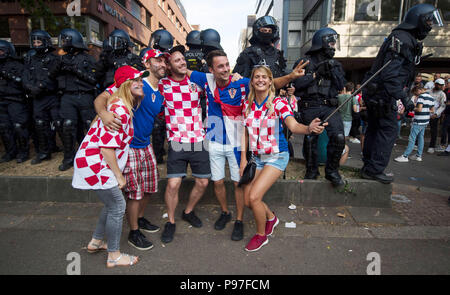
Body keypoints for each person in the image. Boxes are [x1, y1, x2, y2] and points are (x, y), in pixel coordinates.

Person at [240, 65, 325, 252]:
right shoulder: (246, 104)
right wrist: (243, 159)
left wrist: (308, 128)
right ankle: (272, 218)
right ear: (252, 81)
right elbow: (245, 132)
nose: (260, 80)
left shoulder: (278, 103)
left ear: (271, 81)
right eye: (256, 77)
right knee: (248, 201)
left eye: (264, 77)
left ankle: (261, 235)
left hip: (277, 156)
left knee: (254, 197)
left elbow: (293, 126)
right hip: (257, 158)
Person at [72, 66, 148, 268]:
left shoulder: (120, 105)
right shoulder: (119, 109)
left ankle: (96, 241)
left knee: (111, 204)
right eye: (135, 81)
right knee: (118, 206)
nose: (140, 83)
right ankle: (114, 255)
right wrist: (119, 176)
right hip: (97, 164)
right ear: (124, 85)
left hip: (94, 163)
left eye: (140, 79)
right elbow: (106, 148)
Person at [360, 4, 443, 184]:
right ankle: (374, 169)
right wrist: (404, 98)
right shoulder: (402, 39)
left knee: (375, 129)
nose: (430, 25)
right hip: (382, 94)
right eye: (428, 20)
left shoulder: (405, 38)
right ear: (418, 20)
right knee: (388, 130)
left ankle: (369, 167)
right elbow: (390, 74)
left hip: (378, 93)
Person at [95, 50, 169, 250]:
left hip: (146, 145)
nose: (163, 64)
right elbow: (102, 97)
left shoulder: (159, 90)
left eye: (165, 61)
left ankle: (140, 218)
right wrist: (103, 114)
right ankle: (133, 232)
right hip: (130, 148)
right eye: (158, 60)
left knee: (149, 187)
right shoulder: (135, 82)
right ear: (147, 64)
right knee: (134, 193)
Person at [158, 45, 210, 244]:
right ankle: (170, 222)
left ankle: (188, 211)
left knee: (203, 182)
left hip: (198, 139)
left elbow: (220, 82)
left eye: (183, 59)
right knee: (173, 184)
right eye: (177, 60)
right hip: (177, 142)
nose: (182, 62)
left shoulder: (196, 82)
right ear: (169, 66)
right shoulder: (162, 85)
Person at [292, 27, 347, 187]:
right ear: (321, 43)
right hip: (310, 106)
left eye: (334, 43)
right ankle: (311, 170)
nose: (333, 46)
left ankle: (332, 171)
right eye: (330, 43)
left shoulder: (335, 64)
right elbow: (297, 84)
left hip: (330, 107)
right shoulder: (304, 62)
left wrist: (334, 72)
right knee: (310, 137)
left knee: (339, 137)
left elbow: (340, 86)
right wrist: (316, 74)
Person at [57, 28, 98, 171]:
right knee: (67, 125)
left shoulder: (88, 59)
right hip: (67, 96)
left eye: (65, 40)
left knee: (89, 126)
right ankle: (69, 158)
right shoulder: (61, 59)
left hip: (85, 95)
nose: (63, 43)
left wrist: (76, 70)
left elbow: (93, 80)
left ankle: (93, 156)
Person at [22, 30, 62, 165]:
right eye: (34, 42)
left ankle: (69, 153)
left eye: (38, 42)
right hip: (37, 98)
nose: (36, 44)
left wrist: (41, 86)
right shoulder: (30, 59)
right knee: (40, 125)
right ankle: (45, 152)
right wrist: (30, 87)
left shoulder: (54, 59)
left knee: (58, 123)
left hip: (52, 96)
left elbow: (54, 77)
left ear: (45, 42)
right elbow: (25, 76)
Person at [0, 40, 30, 164]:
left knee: (19, 126)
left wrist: (9, 75)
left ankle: (23, 152)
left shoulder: (18, 65)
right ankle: (10, 152)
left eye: (1, 50)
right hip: (1, 101)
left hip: (16, 100)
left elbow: (24, 83)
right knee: (4, 128)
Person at [394, 86, 434, 163]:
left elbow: (419, 109)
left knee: (412, 138)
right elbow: (432, 110)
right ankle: (419, 156)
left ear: (419, 90)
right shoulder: (431, 97)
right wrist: (425, 110)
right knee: (421, 138)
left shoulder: (421, 97)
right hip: (425, 120)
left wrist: (412, 107)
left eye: (416, 93)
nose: (416, 95)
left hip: (418, 120)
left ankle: (405, 156)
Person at [427, 78, 446, 153]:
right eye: (439, 85)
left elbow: (443, 106)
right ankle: (416, 144)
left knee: (433, 131)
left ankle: (432, 146)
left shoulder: (442, 94)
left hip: (434, 115)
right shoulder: (429, 91)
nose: (440, 86)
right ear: (435, 84)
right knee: (420, 129)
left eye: (442, 85)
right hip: (426, 112)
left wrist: (436, 114)